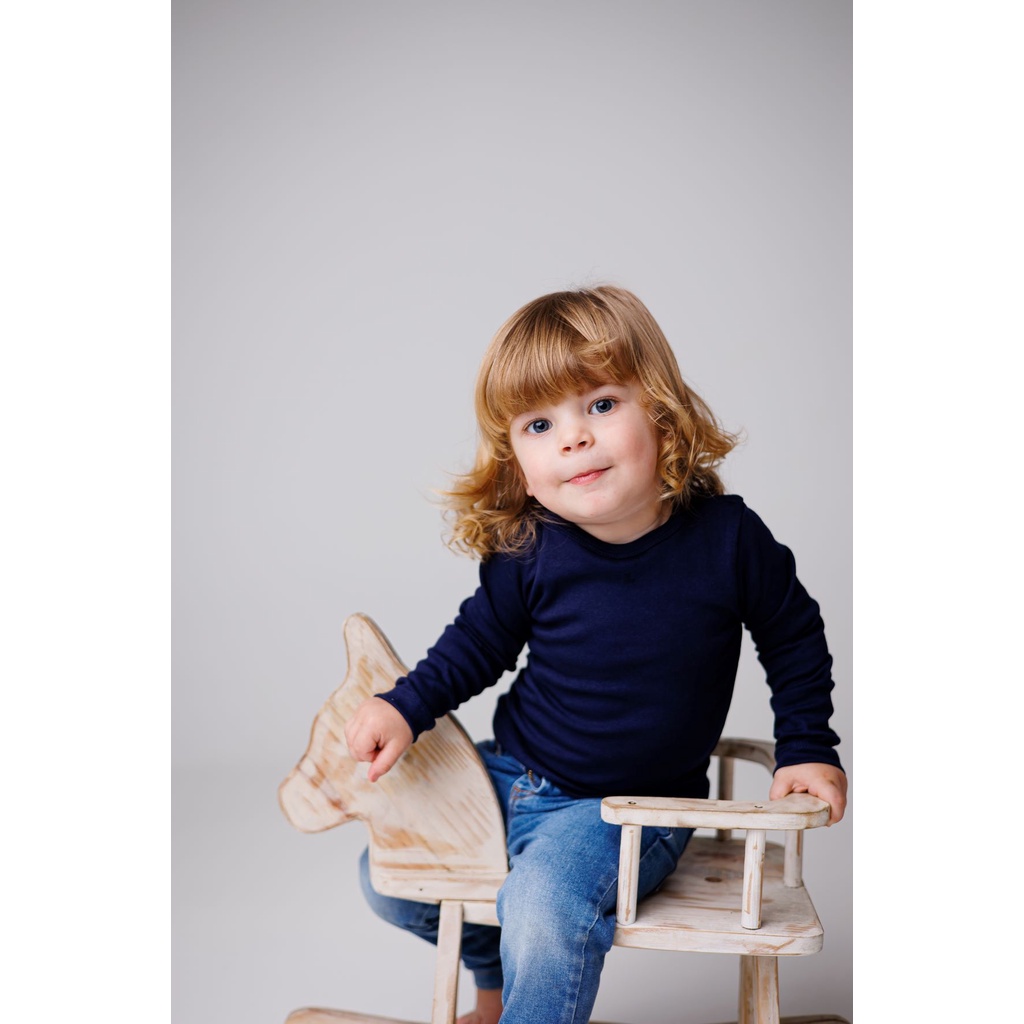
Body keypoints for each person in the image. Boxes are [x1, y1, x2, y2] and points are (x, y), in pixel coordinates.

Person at [344, 285, 847, 1024]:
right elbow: (476, 644)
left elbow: (794, 635)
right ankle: (496, 988)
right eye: (539, 424)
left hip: (627, 812)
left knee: (543, 899)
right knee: (385, 872)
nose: (573, 438)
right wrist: (405, 705)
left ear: (662, 414)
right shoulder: (532, 546)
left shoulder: (727, 540)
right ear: (515, 459)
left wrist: (807, 747)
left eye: (602, 405)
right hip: (513, 774)